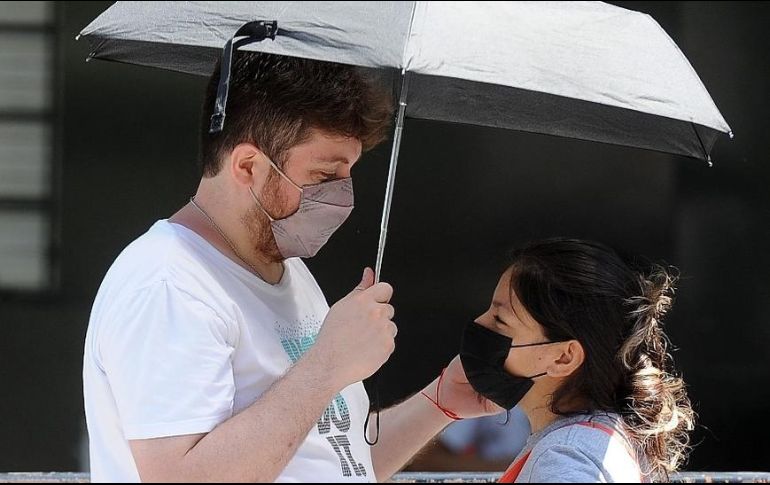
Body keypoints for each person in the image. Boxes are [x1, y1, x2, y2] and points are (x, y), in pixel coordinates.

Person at [82, 51, 499, 483]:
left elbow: (337, 460)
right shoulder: (169, 283)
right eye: (324, 176)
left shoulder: (285, 266)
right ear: (248, 166)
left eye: (348, 174)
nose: (342, 197)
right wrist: (327, 365)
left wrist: (439, 402)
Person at [455, 238, 694, 483]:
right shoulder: (598, 437)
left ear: (564, 358)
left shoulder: (563, 458)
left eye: (499, 319)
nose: (479, 323)